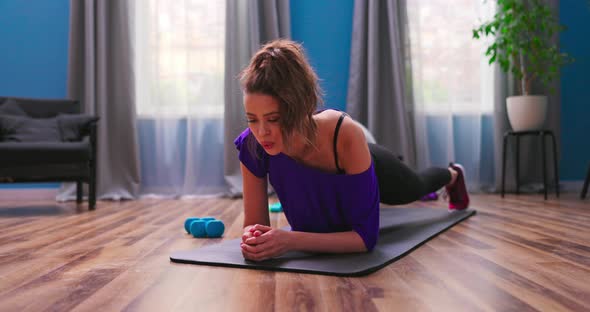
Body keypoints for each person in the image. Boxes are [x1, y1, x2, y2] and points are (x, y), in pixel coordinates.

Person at [235, 39, 469, 262]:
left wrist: (289, 241)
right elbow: (254, 224)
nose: (261, 131)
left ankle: (453, 174)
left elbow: (364, 239)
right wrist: (252, 239)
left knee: (415, 186)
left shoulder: (345, 134)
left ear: (300, 106)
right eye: (252, 119)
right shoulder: (253, 143)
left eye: (273, 119)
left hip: (371, 163)